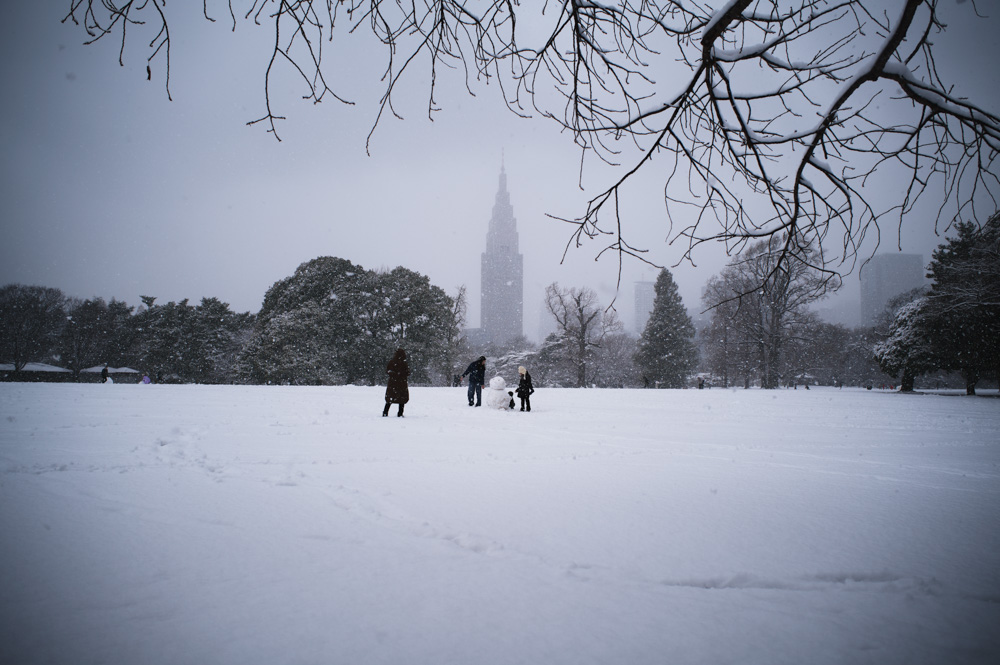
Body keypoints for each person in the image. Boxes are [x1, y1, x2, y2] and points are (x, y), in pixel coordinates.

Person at [383, 348, 410, 417]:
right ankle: (400, 413)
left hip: (393, 383)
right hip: (402, 384)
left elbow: (388, 371)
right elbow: (407, 372)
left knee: (390, 399)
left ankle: (385, 412)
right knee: (401, 400)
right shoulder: (404, 363)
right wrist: (401, 375)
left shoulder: (392, 362)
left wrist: (394, 375)